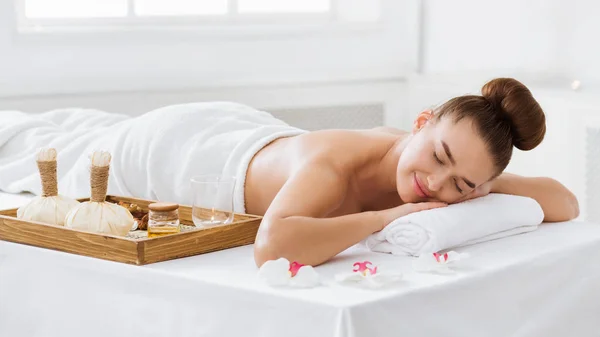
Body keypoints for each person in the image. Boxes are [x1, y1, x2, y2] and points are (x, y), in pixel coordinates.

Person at [246, 78, 579, 267]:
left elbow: (566, 204)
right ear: (421, 122)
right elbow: (272, 248)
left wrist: (483, 183)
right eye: (438, 156)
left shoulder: (460, 181)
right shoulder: (334, 164)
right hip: (221, 153)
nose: (435, 182)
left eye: (460, 183)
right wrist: (385, 217)